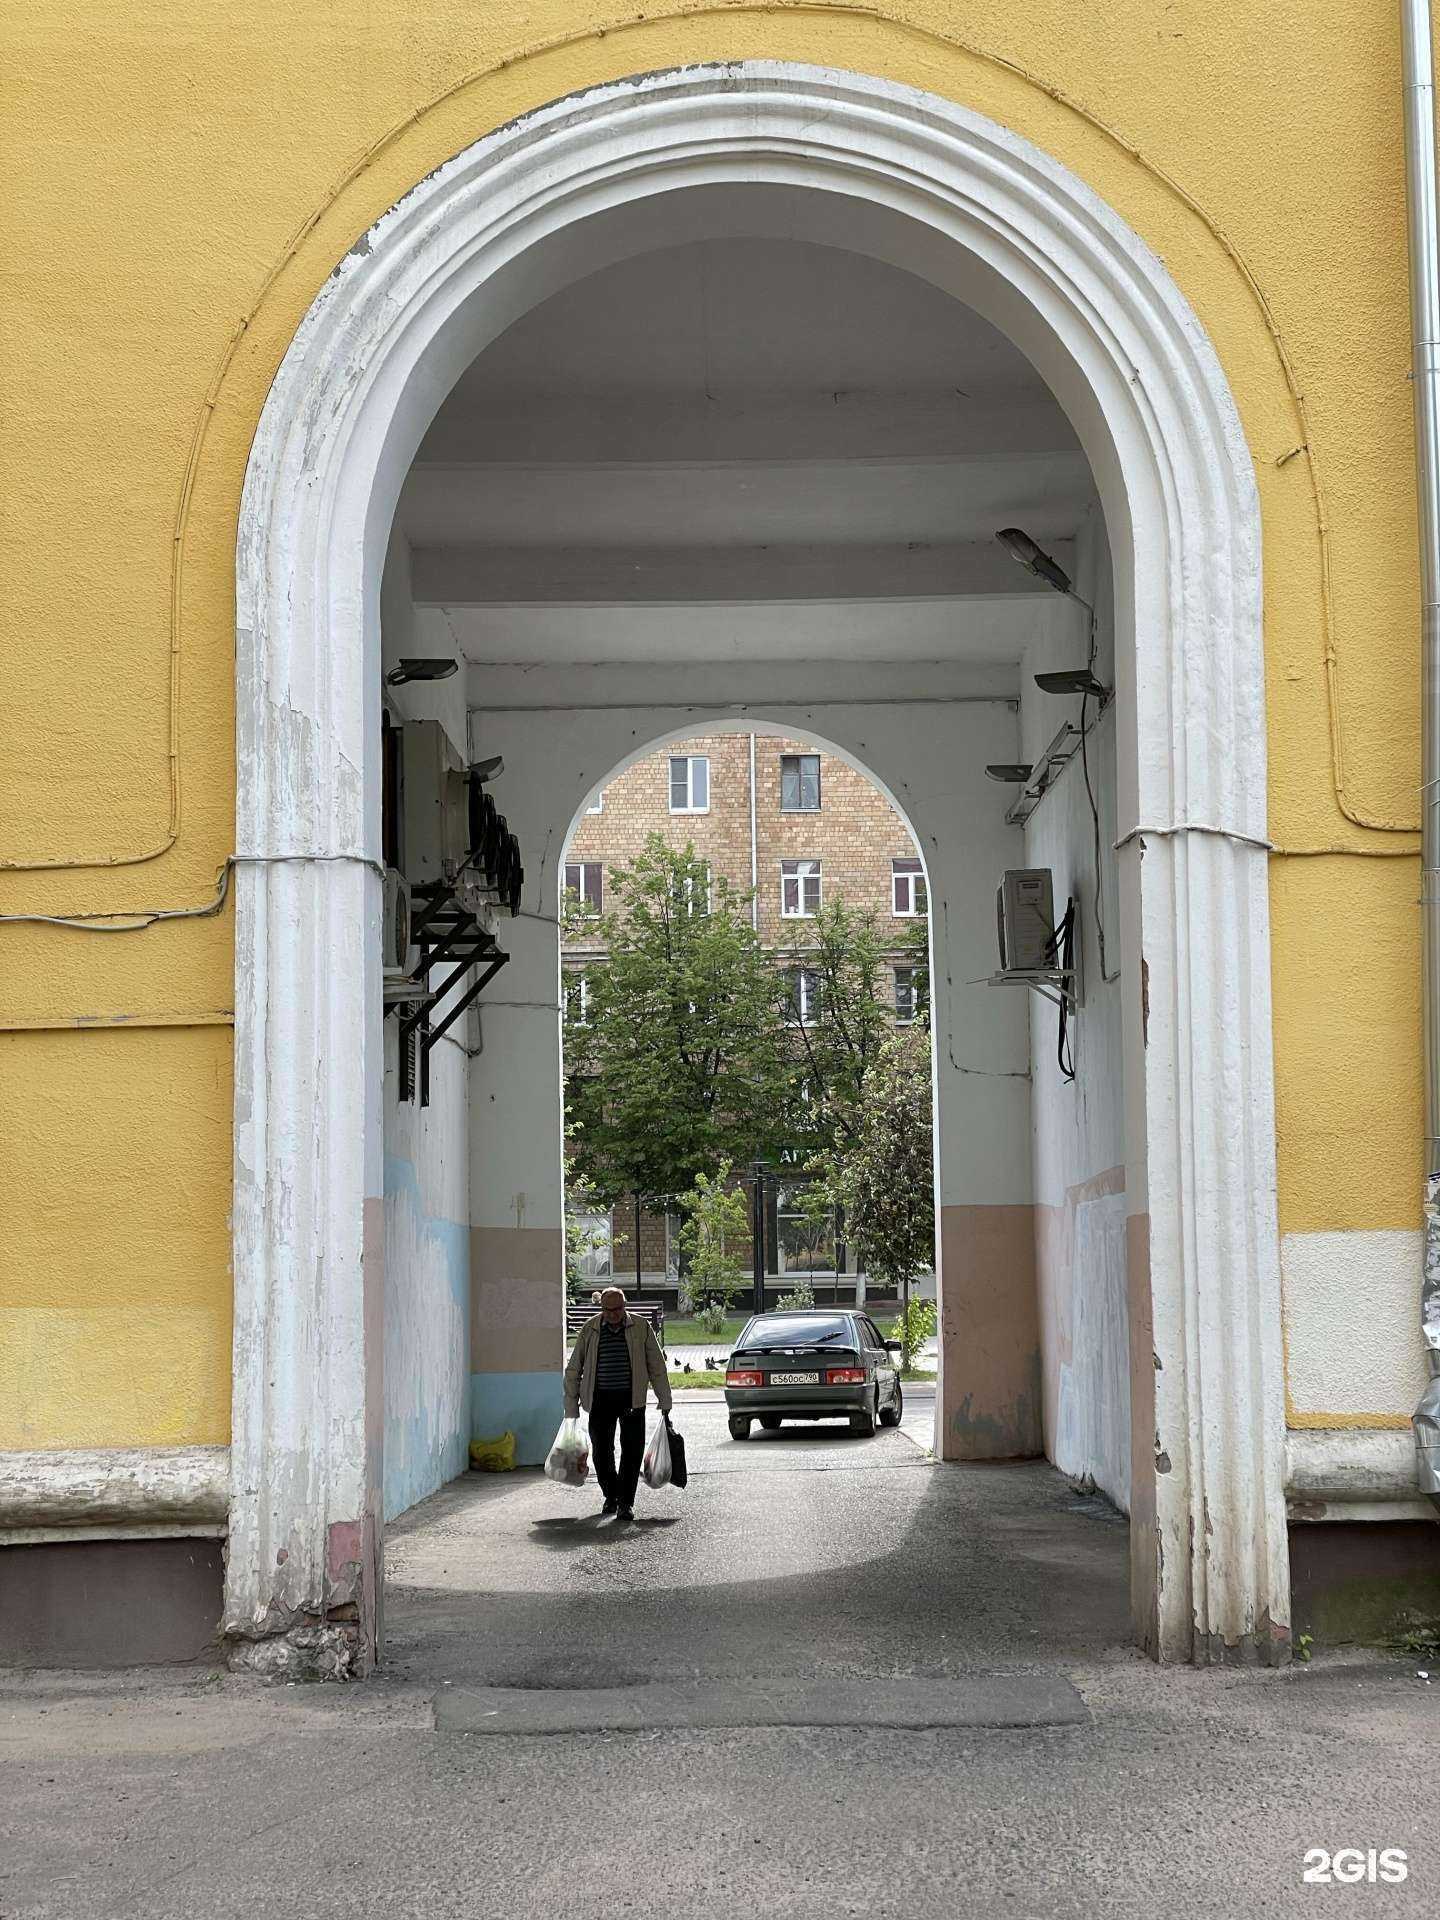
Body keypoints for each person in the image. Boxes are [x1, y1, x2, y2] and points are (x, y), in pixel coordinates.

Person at [563, 1285, 672, 1521]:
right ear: (601, 1308)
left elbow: (656, 1365)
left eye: (617, 1309)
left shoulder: (641, 1326)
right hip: (599, 1398)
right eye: (607, 1310)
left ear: (625, 1306)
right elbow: (573, 1369)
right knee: (601, 1453)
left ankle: (625, 1503)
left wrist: (664, 1399)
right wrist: (571, 1407)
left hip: (631, 1399)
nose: (612, 1314)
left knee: (632, 1452)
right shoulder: (591, 1328)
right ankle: (611, 1495)